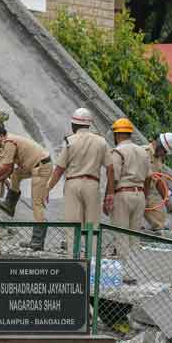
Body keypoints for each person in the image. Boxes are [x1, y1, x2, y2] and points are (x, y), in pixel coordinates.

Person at [46, 108, 110, 254]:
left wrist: (48, 188)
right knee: (92, 226)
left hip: (72, 184)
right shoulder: (101, 142)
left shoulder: (69, 141)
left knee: (73, 225)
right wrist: (110, 193)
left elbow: (59, 169)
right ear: (89, 124)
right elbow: (110, 168)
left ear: (74, 125)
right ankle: (91, 261)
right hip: (93, 184)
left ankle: (73, 261)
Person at [0, 124, 53, 251]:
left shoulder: (9, 142)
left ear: (1, 136)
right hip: (33, 165)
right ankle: (10, 204)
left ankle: (37, 241)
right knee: (16, 175)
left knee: (37, 204)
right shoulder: (8, 141)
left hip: (41, 167)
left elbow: (6, 168)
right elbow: (9, 171)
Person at [104, 118, 151, 257]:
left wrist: (108, 198)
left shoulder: (117, 152)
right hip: (140, 196)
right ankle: (134, 271)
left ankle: (123, 274)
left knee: (121, 236)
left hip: (122, 195)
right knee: (134, 236)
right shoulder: (143, 152)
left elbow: (113, 177)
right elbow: (149, 177)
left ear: (117, 134)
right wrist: (145, 197)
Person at [144, 132, 172, 233]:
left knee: (160, 224)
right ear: (159, 145)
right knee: (130, 224)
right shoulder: (143, 151)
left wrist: (166, 200)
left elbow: (158, 180)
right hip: (138, 190)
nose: (164, 154)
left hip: (148, 193)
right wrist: (143, 197)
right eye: (164, 151)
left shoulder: (158, 159)